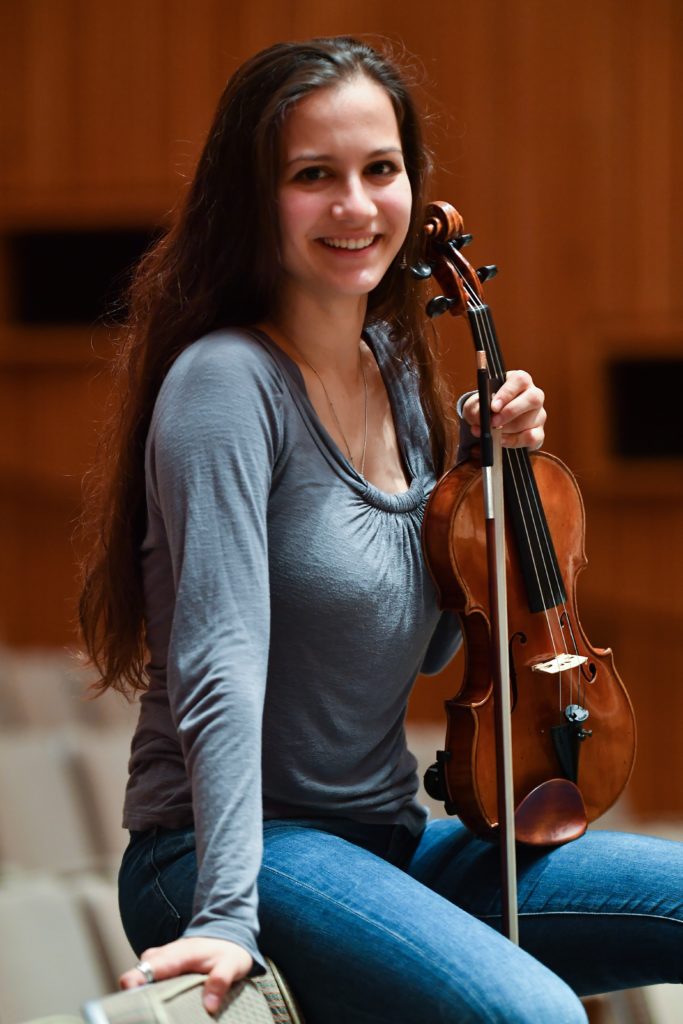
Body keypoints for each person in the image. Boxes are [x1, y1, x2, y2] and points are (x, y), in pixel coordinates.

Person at [79, 36, 683, 1024]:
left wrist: (477, 482)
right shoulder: (226, 386)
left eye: (380, 168)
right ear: (252, 197)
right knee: (531, 1015)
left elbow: (442, 645)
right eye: (313, 176)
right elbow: (219, 663)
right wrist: (227, 912)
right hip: (232, 853)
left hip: (387, 845)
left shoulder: (397, 375)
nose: (356, 207)